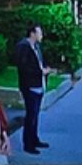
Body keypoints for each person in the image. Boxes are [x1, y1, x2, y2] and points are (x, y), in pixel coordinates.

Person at [13, 24, 49, 153]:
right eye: (39, 33)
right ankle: (28, 144)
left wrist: (45, 69)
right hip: (30, 86)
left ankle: (34, 139)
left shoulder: (36, 47)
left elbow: (39, 63)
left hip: (39, 85)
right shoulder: (23, 47)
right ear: (32, 33)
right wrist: (40, 72)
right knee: (31, 115)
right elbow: (24, 68)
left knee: (35, 115)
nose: (41, 35)